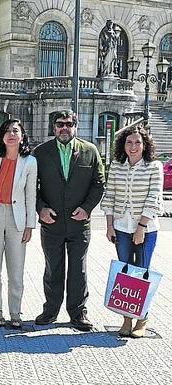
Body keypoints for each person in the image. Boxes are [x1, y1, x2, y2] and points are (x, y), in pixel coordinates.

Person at [33, 110, 104, 331]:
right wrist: (41, 209)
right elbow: (31, 186)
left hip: (79, 224)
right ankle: (51, 310)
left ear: (76, 126)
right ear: (53, 128)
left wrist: (87, 208)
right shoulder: (41, 153)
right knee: (53, 268)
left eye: (69, 124)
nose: (64, 128)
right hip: (51, 223)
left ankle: (78, 312)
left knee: (78, 269)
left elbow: (99, 183)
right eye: (60, 124)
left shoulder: (90, 151)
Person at [101, 125, 163, 338]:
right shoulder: (117, 166)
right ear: (123, 145)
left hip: (146, 228)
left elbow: (153, 197)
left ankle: (142, 318)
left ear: (145, 145)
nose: (133, 146)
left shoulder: (154, 166)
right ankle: (126, 318)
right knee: (125, 273)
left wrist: (141, 227)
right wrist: (109, 225)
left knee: (142, 272)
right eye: (129, 142)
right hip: (121, 227)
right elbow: (109, 197)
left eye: (138, 142)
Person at [0, 119, 37, 329]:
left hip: (18, 218)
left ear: (22, 135)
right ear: (1, 136)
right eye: (7, 131)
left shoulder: (30, 162)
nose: (11, 134)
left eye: (15, 131)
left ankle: (15, 311)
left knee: (16, 269)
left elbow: (31, 195)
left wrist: (30, 225)